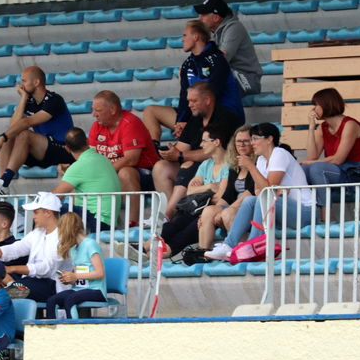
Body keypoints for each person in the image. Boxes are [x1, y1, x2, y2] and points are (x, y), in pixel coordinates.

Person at [117, 124, 230, 263]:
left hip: (214, 213)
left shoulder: (229, 166)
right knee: (173, 225)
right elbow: (190, 190)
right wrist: (210, 187)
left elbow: (222, 196)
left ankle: (148, 255)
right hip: (199, 209)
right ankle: (142, 248)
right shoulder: (206, 164)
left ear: (217, 142)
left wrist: (202, 190)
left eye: (204, 141)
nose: (201, 144)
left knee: (186, 233)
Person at [206, 123, 313, 260]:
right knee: (250, 200)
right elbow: (258, 191)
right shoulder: (261, 159)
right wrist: (268, 191)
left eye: (255, 138)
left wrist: (251, 167)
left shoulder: (279, 154)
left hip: (305, 213)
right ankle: (229, 244)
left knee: (264, 200)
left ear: (269, 139)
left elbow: (267, 188)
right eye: (251, 139)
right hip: (281, 211)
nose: (252, 143)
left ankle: (252, 245)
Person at [143, 20, 244, 146]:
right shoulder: (188, 64)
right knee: (150, 111)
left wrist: (189, 123)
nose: (182, 40)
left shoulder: (217, 60)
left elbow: (212, 96)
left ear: (196, 37)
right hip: (196, 115)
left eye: (185, 35)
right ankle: (154, 148)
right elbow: (184, 97)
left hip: (220, 117)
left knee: (180, 151)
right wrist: (180, 122)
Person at [152, 82, 242, 220]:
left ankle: (166, 216)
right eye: (189, 101)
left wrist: (181, 155)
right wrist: (171, 153)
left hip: (219, 169)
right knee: (161, 167)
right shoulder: (194, 120)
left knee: (187, 165)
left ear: (207, 100)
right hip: (200, 172)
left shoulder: (227, 118)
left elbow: (219, 153)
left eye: (194, 101)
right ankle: (172, 214)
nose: (189, 105)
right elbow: (181, 149)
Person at [0, 66, 74, 195]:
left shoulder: (54, 100)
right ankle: (1, 185)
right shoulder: (29, 101)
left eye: (24, 81)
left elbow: (27, 123)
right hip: (41, 151)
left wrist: (1, 138)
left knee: (23, 134)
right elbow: (13, 126)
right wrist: (23, 98)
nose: (20, 85)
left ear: (36, 82)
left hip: (63, 150)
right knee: (11, 135)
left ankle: (4, 182)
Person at [299, 88, 360, 219]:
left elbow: (338, 159)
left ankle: (326, 217)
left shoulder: (349, 125)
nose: (313, 109)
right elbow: (312, 156)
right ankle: (307, 212)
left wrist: (311, 162)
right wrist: (311, 127)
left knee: (317, 168)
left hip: (356, 172)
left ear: (326, 104)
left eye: (316, 105)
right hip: (337, 170)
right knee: (304, 168)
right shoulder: (323, 127)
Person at [87, 90, 160, 222]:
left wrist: (102, 173)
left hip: (147, 174)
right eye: (94, 110)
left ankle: (132, 223)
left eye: (98, 111)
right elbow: (91, 156)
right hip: (112, 174)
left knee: (125, 172)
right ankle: (89, 224)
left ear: (113, 109)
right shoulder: (97, 126)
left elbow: (131, 160)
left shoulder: (130, 123)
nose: (94, 115)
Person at [0, 192, 73, 303]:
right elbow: (18, 248)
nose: (33, 216)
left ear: (48, 212)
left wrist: (13, 268)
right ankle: (12, 291)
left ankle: (12, 292)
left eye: (36, 212)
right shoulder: (38, 232)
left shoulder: (62, 237)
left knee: (3, 288)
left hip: (53, 285)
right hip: (33, 281)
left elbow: (46, 268)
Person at [53, 127, 121, 232]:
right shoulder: (104, 159)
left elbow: (54, 197)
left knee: (48, 209)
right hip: (107, 222)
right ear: (87, 141)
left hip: (96, 221)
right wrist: (68, 174)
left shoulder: (79, 166)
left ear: (67, 148)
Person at [197, 125, 255, 249]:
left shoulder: (258, 163)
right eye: (238, 141)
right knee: (208, 211)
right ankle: (203, 253)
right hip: (236, 206)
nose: (242, 145)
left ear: (253, 142)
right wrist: (209, 213)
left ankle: (242, 252)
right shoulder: (234, 165)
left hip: (251, 207)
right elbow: (227, 195)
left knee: (228, 213)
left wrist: (225, 210)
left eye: (246, 141)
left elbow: (251, 192)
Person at [194, 0, 263, 96]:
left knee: (214, 77)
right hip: (232, 75)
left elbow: (221, 61)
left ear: (216, 17)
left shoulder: (234, 27)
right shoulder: (212, 32)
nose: (199, 18)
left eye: (203, 15)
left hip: (249, 79)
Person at [46, 213, 107, 320]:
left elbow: (100, 273)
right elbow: (78, 279)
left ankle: (73, 329)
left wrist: (75, 276)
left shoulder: (90, 244)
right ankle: (53, 329)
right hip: (79, 290)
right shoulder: (73, 250)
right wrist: (70, 279)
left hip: (96, 290)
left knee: (70, 300)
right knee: (51, 301)